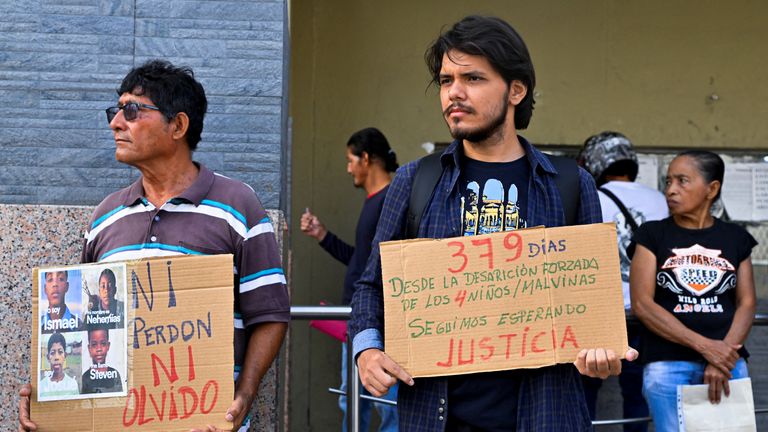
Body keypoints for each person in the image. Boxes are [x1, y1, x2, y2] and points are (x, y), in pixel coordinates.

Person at [348, 15, 637, 431]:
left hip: (544, 414)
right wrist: (368, 350)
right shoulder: (417, 181)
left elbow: (593, 301)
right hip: (436, 414)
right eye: (446, 81)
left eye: (473, 79)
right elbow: (370, 285)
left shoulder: (571, 184)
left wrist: (600, 352)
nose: (454, 93)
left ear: (516, 90)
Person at [19, 59, 290, 432]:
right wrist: (53, 399)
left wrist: (244, 395)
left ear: (178, 125)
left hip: (203, 423)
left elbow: (270, 314)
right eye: (115, 111)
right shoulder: (105, 219)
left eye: (132, 111)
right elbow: (83, 326)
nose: (116, 123)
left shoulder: (238, 206)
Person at [629, 150, 756, 431]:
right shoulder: (652, 235)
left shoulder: (735, 238)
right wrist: (708, 348)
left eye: (682, 181)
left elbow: (747, 302)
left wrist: (723, 356)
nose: (671, 190)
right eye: (668, 181)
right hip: (667, 363)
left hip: (729, 364)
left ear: (712, 189)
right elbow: (642, 304)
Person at [300, 127, 400, 432]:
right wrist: (322, 236)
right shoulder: (374, 200)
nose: (347, 168)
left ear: (366, 159)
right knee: (355, 401)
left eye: (350, 159)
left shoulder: (389, 201)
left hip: (379, 324)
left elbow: (386, 269)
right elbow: (363, 262)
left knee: (385, 405)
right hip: (360, 322)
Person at [578, 131, 667, 430]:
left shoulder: (589, 197)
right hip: (647, 314)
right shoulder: (659, 200)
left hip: (599, 313)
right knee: (638, 393)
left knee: (585, 390)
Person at [81, 328, 123, 394]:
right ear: (89, 348)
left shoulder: (114, 375)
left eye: (103, 344)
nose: (99, 349)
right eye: (94, 345)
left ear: (108, 346)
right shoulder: (85, 378)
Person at [38, 332, 79, 398]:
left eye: (60, 352)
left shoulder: (72, 384)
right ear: (48, 357)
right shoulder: (41, 386)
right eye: (52, 353)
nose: (56, 357)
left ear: (65, 356)